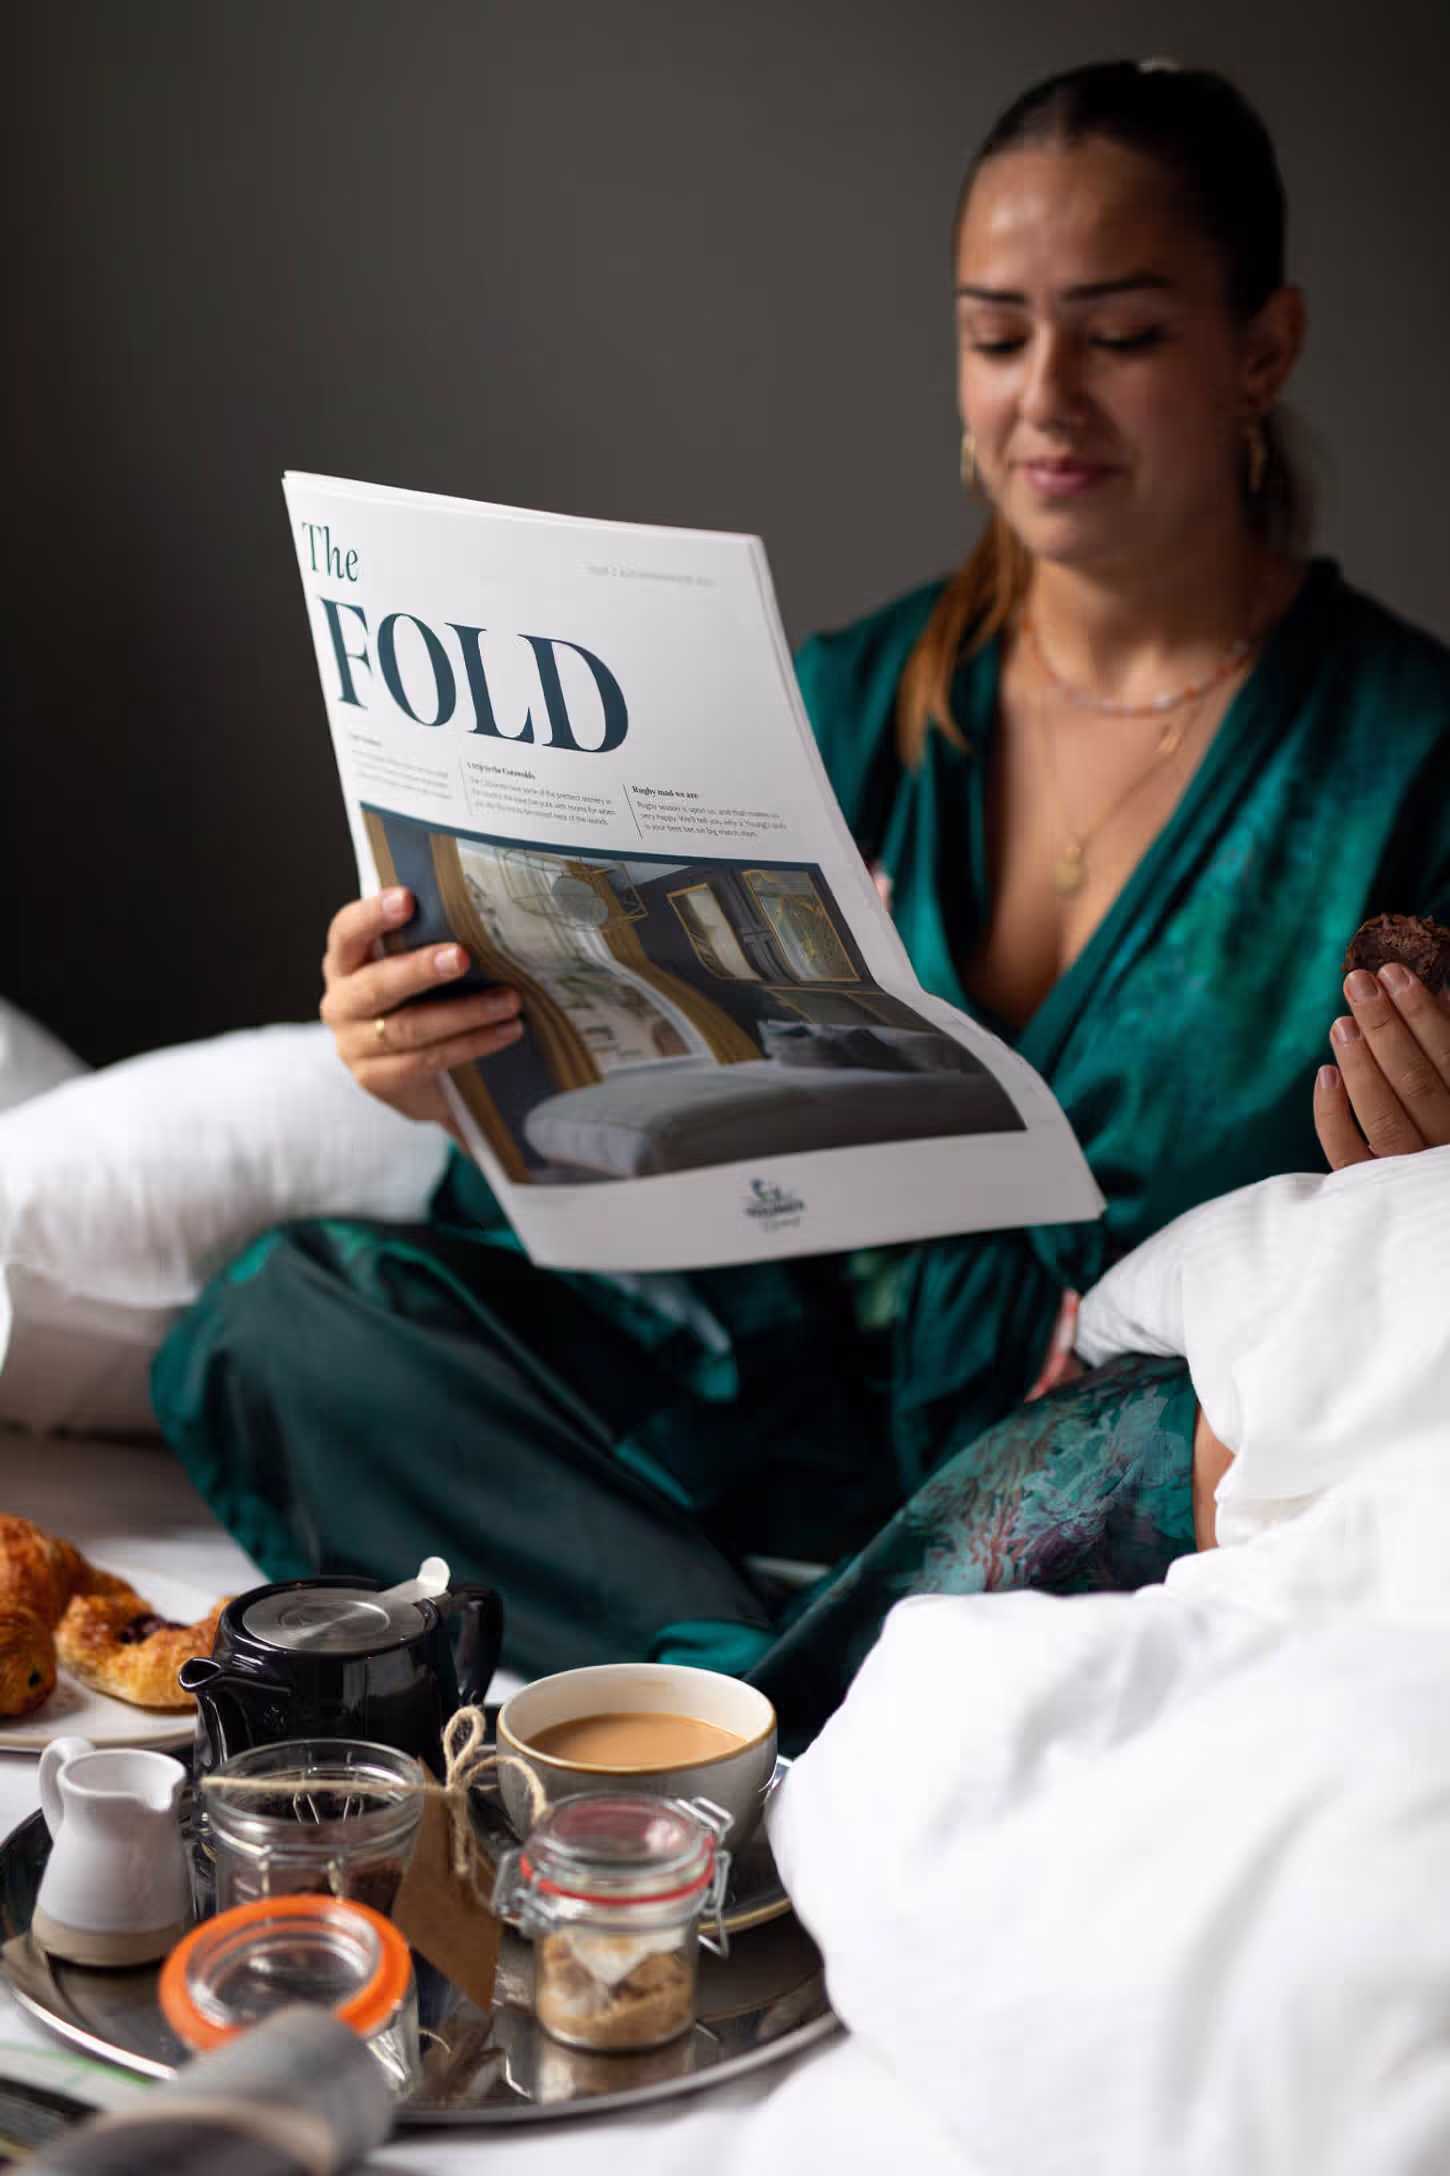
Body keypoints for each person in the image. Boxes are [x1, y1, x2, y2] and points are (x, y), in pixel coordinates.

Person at [152, 61, 1450, 1732]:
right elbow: (650, 1115)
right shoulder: (847, 697)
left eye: (1118, 336)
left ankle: (711, 1697)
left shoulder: (1406, 762)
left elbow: (1376, 1308)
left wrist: (1426, 1176)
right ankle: (795, 1697)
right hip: (792, 1407)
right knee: (285, 1318)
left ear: (1258, 345)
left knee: (1203, 1437)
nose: (1043, 396)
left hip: (1101, 1461)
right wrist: (451, 1050)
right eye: (995, 336)